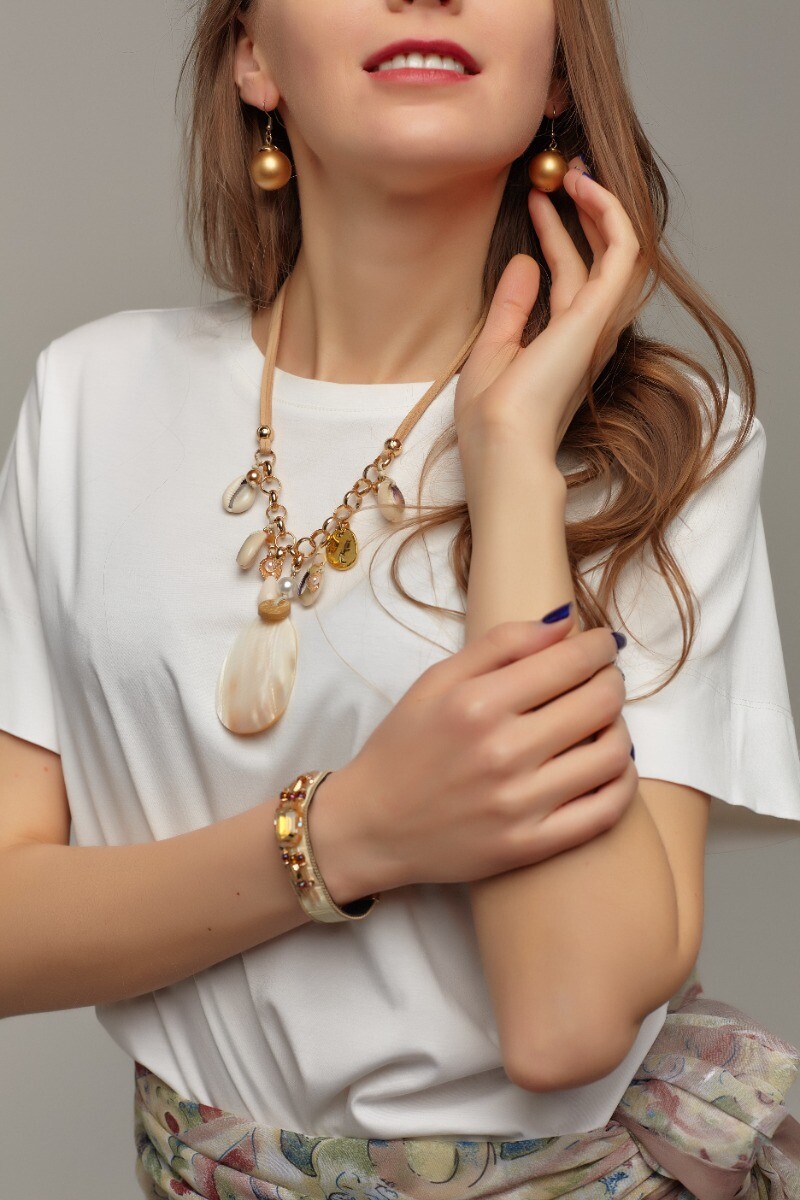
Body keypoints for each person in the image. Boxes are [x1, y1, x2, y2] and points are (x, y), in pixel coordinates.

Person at [2, 0, 800, 1195]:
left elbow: (566, 1020)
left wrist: (511, 459)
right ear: (252, 57)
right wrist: (347, 833)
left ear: (554, 72)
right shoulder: (91, 395)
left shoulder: (665, 443)